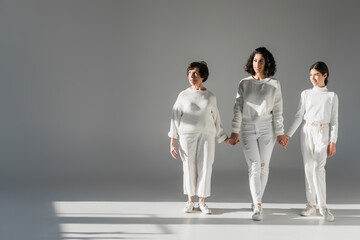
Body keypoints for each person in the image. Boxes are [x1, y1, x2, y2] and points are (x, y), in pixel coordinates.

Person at [229, 47, 288, 221]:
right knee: (254, 166)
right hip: (247, 128)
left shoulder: (274, 84)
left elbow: (278, 111)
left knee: (263, 166)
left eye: (261, 61)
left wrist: (280, 133)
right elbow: (238, 108)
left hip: (266, 128)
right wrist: (234, 130)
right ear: (251, 62)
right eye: (255, 60)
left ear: (267, 62)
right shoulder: (244, 83)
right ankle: (258, 206)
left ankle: (256, 200)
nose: (257, 64)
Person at [169, 61, 232, 214]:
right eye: (190, 73)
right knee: (188, 167)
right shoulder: (183, 95)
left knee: (205, 166)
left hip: (207, 135)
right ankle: (190, 201)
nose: (192, 76)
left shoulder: (210, 97)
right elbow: (174, 118)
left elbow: (216, 119)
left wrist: (225, 138)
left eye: (196, 73)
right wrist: (172, 141)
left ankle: (202, 201)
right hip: (186, 135)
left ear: (203, 75)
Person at [284, 61, 338, 222]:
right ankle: (311, 205)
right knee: (308, 167)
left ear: (324, 75)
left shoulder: (331, 96)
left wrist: (333, 141)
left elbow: (334, 121)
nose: (313, 78)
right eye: (310, 75)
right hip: (307, 131)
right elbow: (299, 116)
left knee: (318, 168)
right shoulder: (306, 94)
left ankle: (323, 206)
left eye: (316, 74)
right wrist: (288, 135)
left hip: (323, 132)